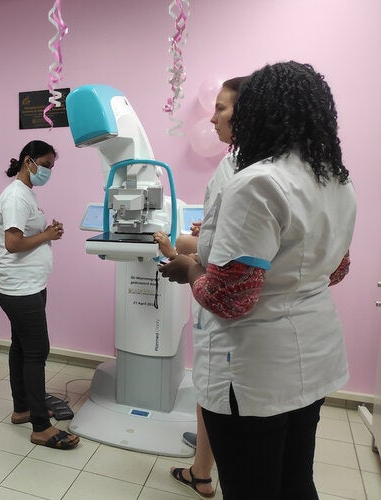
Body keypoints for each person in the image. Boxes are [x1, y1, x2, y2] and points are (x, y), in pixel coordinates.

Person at [158, 61, 355, 499]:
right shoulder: (337, 180)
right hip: (315, 355)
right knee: (296, 480)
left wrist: (188, 268)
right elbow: (337, 269)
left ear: (260, 110)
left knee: (253, 487)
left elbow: (230, 300)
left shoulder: (258, 182)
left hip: (256, 372)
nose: (216, 118)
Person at [154, 75, 247, 499]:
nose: (211, 118)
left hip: (226, 306)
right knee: (212, 393)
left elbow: (226, 249)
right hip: (233, 305)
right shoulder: (244, 162)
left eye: (222, 109)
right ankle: (202, 469)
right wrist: (199, 238)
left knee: (216, 393)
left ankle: (206, 472)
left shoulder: (246, 170)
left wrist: (187, 258)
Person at [0, 140, 79, 450]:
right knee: (36, 352)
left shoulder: (25, 193)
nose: (48, 171)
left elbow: (26, 235)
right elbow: (13, 243)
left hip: (25, 286)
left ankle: (22, 409)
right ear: (28, 162)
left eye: (51, 167)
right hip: (20, 290)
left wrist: (45, 232)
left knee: (21, 348)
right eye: (46, 165)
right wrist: (48, 235)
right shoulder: (16, 195)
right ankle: (41, 427)